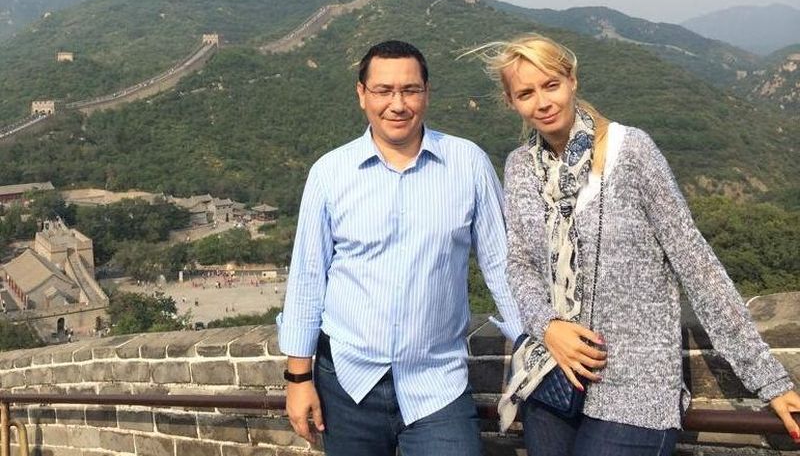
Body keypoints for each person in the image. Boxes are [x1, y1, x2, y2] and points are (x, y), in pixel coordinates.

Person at [470, 33, 800, 455]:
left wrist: (770, 381)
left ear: (572, 81)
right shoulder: (520, 167)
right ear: (511, 101)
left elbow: (695, 264)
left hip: (636, 387)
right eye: (526, 93)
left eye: (551, 85)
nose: (543, 102)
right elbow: (519, 263)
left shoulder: (632, 151)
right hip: (552, 379)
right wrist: (548, 326)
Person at [277, 40, 524, 456]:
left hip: (437, 382)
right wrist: (298, 380)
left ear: (427, 93)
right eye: (383, 91)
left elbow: (502, 266)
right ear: (362, 94)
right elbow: (307, 278)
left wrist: (532, 344)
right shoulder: (329, 173)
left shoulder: (468, 163)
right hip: (347, 384)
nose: (397, 104)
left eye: (410, 90)